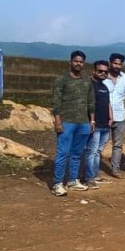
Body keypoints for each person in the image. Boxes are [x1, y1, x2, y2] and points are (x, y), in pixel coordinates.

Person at [49, 50, 95, 196]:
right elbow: (55, 102)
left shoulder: (87, 81)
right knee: (63, 152)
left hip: (83, 122)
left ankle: (73, 180)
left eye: (81, 61)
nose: (78, 63)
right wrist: (57, 121)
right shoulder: (61, 80)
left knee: (77, 153)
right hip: (66, 122)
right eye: (76, 61)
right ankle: (57, 183)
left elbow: (91, 102)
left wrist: (92, 120)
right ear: (70, 62)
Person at [83, 60, 113, 189]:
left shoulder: (104, 86)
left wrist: (111, 117)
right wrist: (91, 121)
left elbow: (108, 103)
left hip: (105, 124)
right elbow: (87, 105)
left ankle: (94, 175)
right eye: (100, 71)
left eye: (105, 72)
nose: (103, 74)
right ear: (94, 71)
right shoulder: (89, 85)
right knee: (91, 151)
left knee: (98, 151)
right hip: (95, 125)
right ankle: (88, 178)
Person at [103, 52, 125, 179]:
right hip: (103, 116)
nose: (117, 66)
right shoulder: (103, 77)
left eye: (119, 64)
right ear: (110, 62)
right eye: (115, 63)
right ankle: (92, 170)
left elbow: (123, 95)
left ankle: (115, 170)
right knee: (99, 144)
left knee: (118, 145)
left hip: (119, 115)